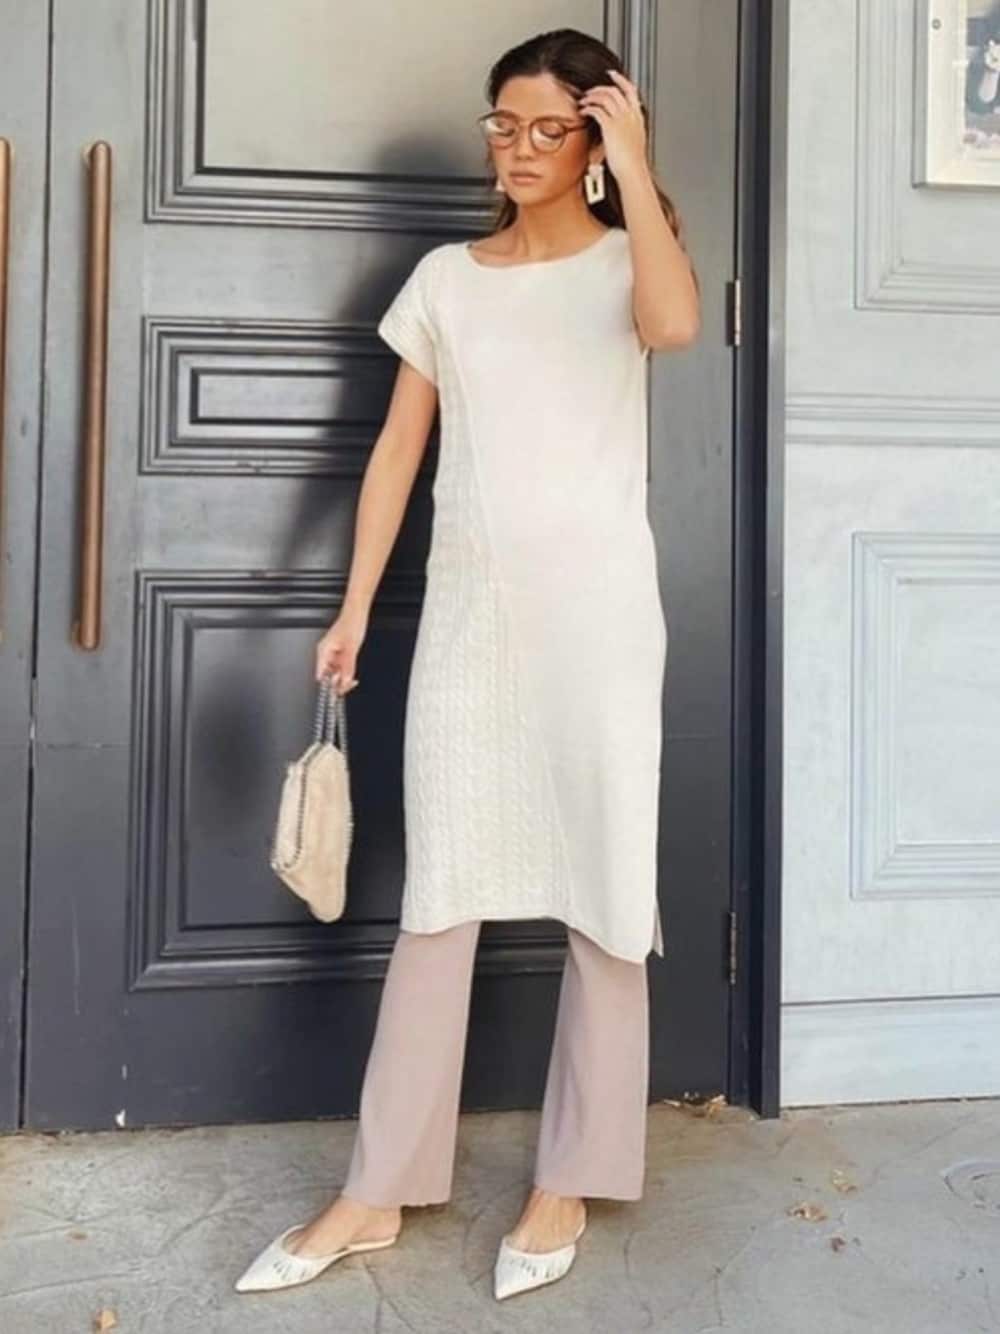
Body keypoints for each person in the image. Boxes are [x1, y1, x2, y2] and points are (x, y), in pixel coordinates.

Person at [235, 26, 700, 1303]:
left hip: (600, 620)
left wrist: (635, 165)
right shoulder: (447, 278)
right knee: (439, 892)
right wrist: (351, 607)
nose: (518, 147)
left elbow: (673, 324)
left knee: (604, 882)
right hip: (470, 621)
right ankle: (376, 1187)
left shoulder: (628, 262)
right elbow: (398, 452)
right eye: (504, 123)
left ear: (595, 134)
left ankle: (572, 1173)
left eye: (551, 126)